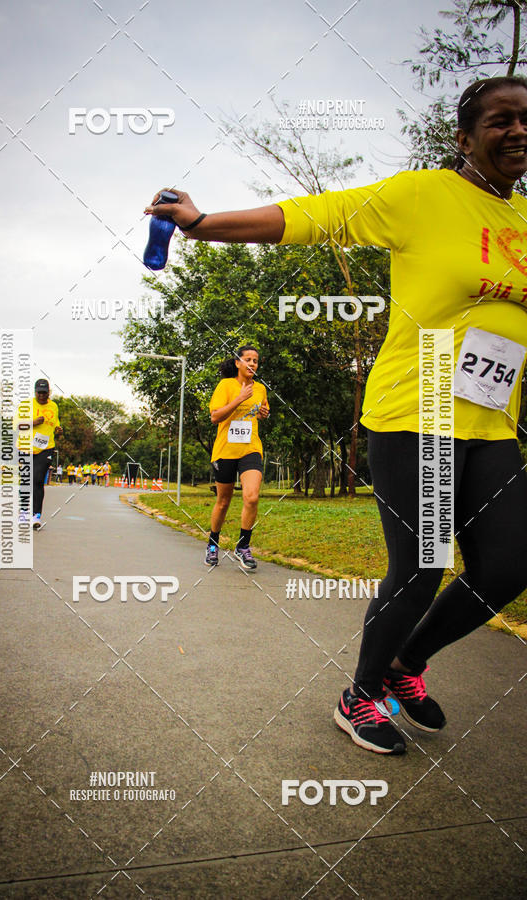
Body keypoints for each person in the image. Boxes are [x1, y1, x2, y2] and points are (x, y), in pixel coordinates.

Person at [145, 76, 527, 754]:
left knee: (508, 565)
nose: (519, 131)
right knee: (422, 566)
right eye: (501, 120)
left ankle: (406, 664)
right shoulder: (421, 196)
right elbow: (314, 216)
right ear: (465, 138)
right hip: (424, 406)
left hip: (492, 419)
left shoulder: (523, 223)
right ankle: (360, 696)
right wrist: (204, 225)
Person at [204, 345, 269, 570]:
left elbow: (261, 411)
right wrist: (240, 398)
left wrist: (262, 414)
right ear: (237, 363)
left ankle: (243, 546)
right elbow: (215, 417)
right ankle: (213, 544)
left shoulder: (260, 389)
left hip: (250, 448)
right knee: (223, 502)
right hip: (225, 451)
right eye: (248, 360)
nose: (252, 364)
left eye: (256, 361)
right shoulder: (226, 385)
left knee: (251, 497)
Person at [15, 378, 63, 530]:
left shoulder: (54, 406)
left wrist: (58, 429)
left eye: (45, 393)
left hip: (45, 448)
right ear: (34, 392)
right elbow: (17, 425)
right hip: (25, 447)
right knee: (25, 480)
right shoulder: (25, 405)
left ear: (49, 392)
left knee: (37, 479)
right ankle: (23, 513)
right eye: (39, 393)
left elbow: (55, 423)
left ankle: (36, 516)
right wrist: (33, 422)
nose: (42, 396)